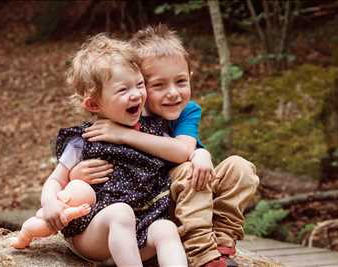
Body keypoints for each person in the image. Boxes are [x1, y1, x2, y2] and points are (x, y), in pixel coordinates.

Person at [71, 25, 260, 267]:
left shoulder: (186, 111)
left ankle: (221, 239)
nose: (173, 93)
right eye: (158, 86)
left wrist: (200, 153)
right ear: (140, 84)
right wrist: (76, 175)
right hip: (155, 207)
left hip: (192, 194)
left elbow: (183, 150)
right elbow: (90, 155)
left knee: (240, 168)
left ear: (190, 77)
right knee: (189, 172)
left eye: (181, 81)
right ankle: (200, 251)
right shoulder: (130, 114)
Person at [12, 33, 187, 267]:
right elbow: (55, 180)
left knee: (166, 229)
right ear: (94, 104)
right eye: (123, 90)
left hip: (142, 226)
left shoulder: (151, 130)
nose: (136, 94)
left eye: (139, 84)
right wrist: (50, 203)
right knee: (120, 213)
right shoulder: (84, 139)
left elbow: (180, 153)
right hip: (93, 231)